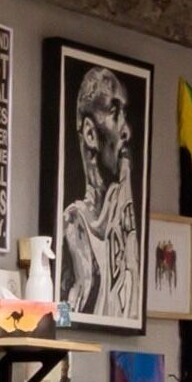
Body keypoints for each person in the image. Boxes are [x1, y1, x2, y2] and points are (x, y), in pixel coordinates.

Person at [57, 65, 140, 320]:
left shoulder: (121, 211)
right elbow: (64, 318)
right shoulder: (74, 224)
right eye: (115, 113)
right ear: (91, 134)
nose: (126, 130)